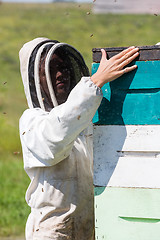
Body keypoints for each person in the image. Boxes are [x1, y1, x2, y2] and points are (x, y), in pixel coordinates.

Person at [19, 37, 139, 240]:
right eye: (51, 69)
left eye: (64, 67)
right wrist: (95, 82)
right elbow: (55, 138)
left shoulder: (84, 119)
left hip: (90, 228)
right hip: (52, 232)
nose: (60, 75)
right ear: (34, 79)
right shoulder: (32, 122)